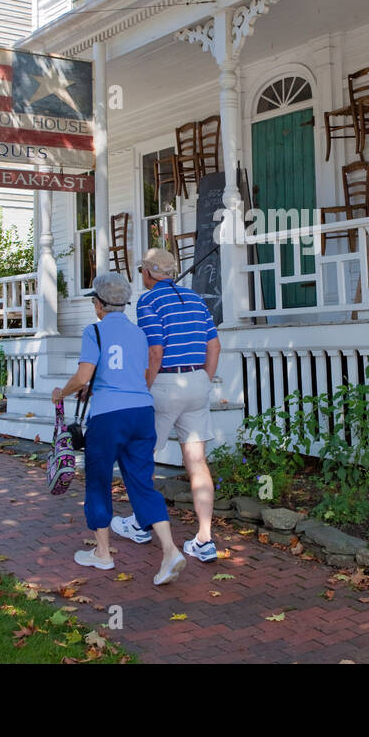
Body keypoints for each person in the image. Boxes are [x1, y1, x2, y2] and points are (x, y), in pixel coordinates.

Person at [51, 271, 185, 586]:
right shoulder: (139, 334)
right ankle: (169, 550)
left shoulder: (93, 332)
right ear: (123, 303)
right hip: (141, 413)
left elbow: (84, 377)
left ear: (99, 304)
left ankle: (103, 553)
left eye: (94, 302)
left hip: (108, 418)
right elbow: (131, 374)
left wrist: (63, 392)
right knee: (142, 484)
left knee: (98, 481)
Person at [111, 247, 222, 563]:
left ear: (147, 272)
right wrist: (203, 378)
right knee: (197, 461)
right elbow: (214, 346)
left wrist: (143, 389)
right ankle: (204, 539)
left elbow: (155, 351)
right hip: (197, 383)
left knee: (140, 455)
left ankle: (140, 523)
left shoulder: (148, 300)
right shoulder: (197, 300)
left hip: (164, 383)